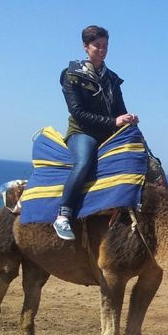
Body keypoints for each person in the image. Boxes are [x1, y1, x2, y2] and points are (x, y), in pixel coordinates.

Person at [54, 25, 138, 240]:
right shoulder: (72, 75)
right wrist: (114, 121)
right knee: (83, 162)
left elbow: (120, 109)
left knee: (141, 156)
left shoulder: (112, 78)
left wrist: (127, 118)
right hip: (83, 132)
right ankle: (63, 214)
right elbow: (78, 113)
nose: (102, 50)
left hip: (109, 132)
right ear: (85, 47)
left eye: (105, 46)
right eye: (97, 45)